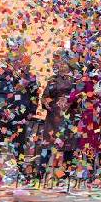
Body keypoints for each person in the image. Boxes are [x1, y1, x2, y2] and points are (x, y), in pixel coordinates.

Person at [0, 37, 39, 175]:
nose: (16, 55)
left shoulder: (29, 75)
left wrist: (31, 112)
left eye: (18, 51)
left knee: (19, 145)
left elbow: (34, 95)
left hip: (20, 117)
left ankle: (22, 173)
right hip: (1, 115)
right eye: (13, 51)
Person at [39, 50, 76, 178]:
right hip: (53, 114)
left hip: (68, 113)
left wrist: (71, 101)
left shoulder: (76, 80)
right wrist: (45, 102)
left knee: (68, 144)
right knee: (48, 143)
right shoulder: (53, 79)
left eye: (64, 63)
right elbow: (45, 96)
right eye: (59, 63)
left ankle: (64, 172)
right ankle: (41, 171)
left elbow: (80, 96)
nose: (61, 65)